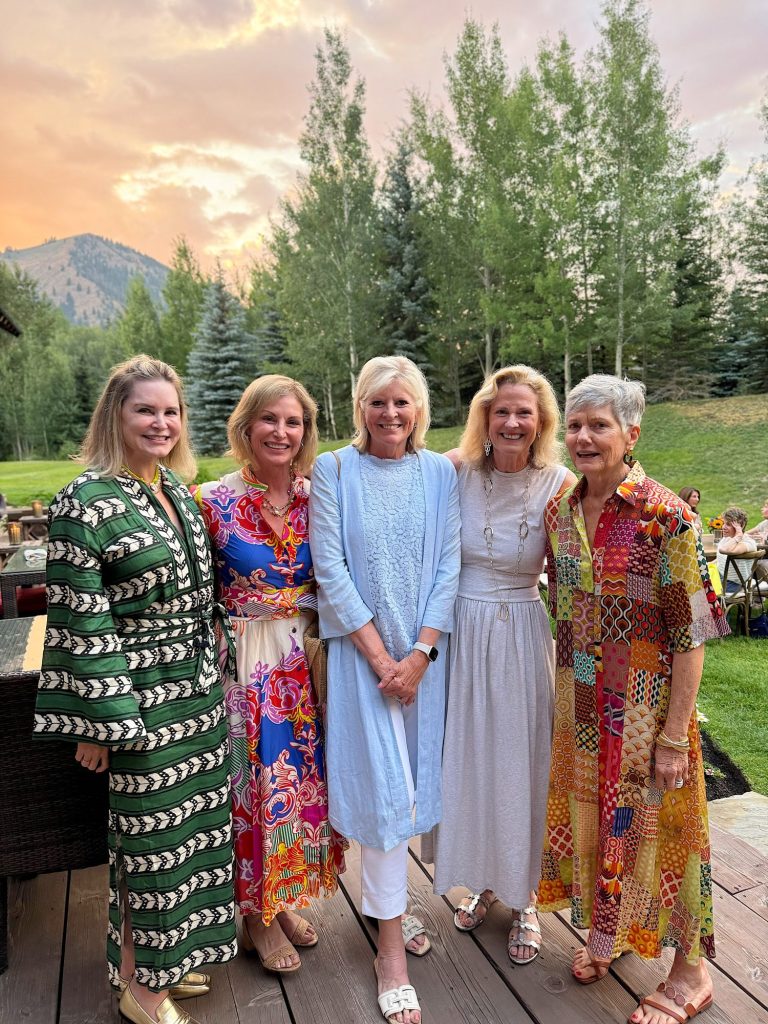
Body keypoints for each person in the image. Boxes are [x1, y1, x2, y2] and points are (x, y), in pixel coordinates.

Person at [34, 355, 236, 1024]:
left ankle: (168, 963)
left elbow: (203, 594)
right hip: (140, 699)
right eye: (145, 410)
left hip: (197, 691)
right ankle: (141, 990)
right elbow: (80, 619)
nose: (161, 422)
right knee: (148, 842)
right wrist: (101, 726)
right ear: (115, 416)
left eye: (171, 411)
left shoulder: (176, 489)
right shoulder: (84, 500)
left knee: (194, 834)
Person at [538, 374, 729, 1024]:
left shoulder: (666, 515)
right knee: (596, 828)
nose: (584, 437)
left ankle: (691, 974)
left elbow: (694, 633)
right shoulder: (560, 510)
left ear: (631, 434)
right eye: (576, 425)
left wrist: (677, 735)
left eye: (600, 425)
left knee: (671, 838)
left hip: (649, 718)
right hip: (582, 712)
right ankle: (611, 935)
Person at [309, 355, 460, 1024]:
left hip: (426, 658)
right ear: (360, 407)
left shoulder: (437, 473)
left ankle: (388, 908)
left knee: (416, 792)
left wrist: (420, 654)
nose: (390, 414)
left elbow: (450, 564)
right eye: (378, 403)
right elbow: (330, 570)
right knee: (382, 796)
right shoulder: (335, 471)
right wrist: (382, 660)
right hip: (363, 661)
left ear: (419, 409)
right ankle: (390, 948)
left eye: (403, 403)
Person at [194, 375, 346, 975]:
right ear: (246, 427)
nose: (282, 432)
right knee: (256, 788)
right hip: (245, 663)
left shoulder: (319, 496)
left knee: (302, 786)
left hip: (303, 657)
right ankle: (254, 918)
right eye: (270, 420)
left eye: (294, 422)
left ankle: (277, 901)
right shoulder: (213, 500)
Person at [430, 365, 575, 966]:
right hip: (460, 632)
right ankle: (489, 881)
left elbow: (578, 569)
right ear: (484, 420)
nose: (512, 422)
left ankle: (527, 899)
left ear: (540, 422)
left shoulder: (559, 483)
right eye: (501, 412)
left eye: (524, 412)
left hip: (521, 630)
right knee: (471, 759)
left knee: (522, 762)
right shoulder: (453, 471)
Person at [716, 506, 758, 593]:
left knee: (699, 590)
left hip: (734, 585)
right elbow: (722, 559)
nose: (723, 527)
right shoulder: (728, 539)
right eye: (724, 523)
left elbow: (724, 550)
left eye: (728, 524)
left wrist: (739, 535)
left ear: (740, 526)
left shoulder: (748, 543)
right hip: (720, 578)